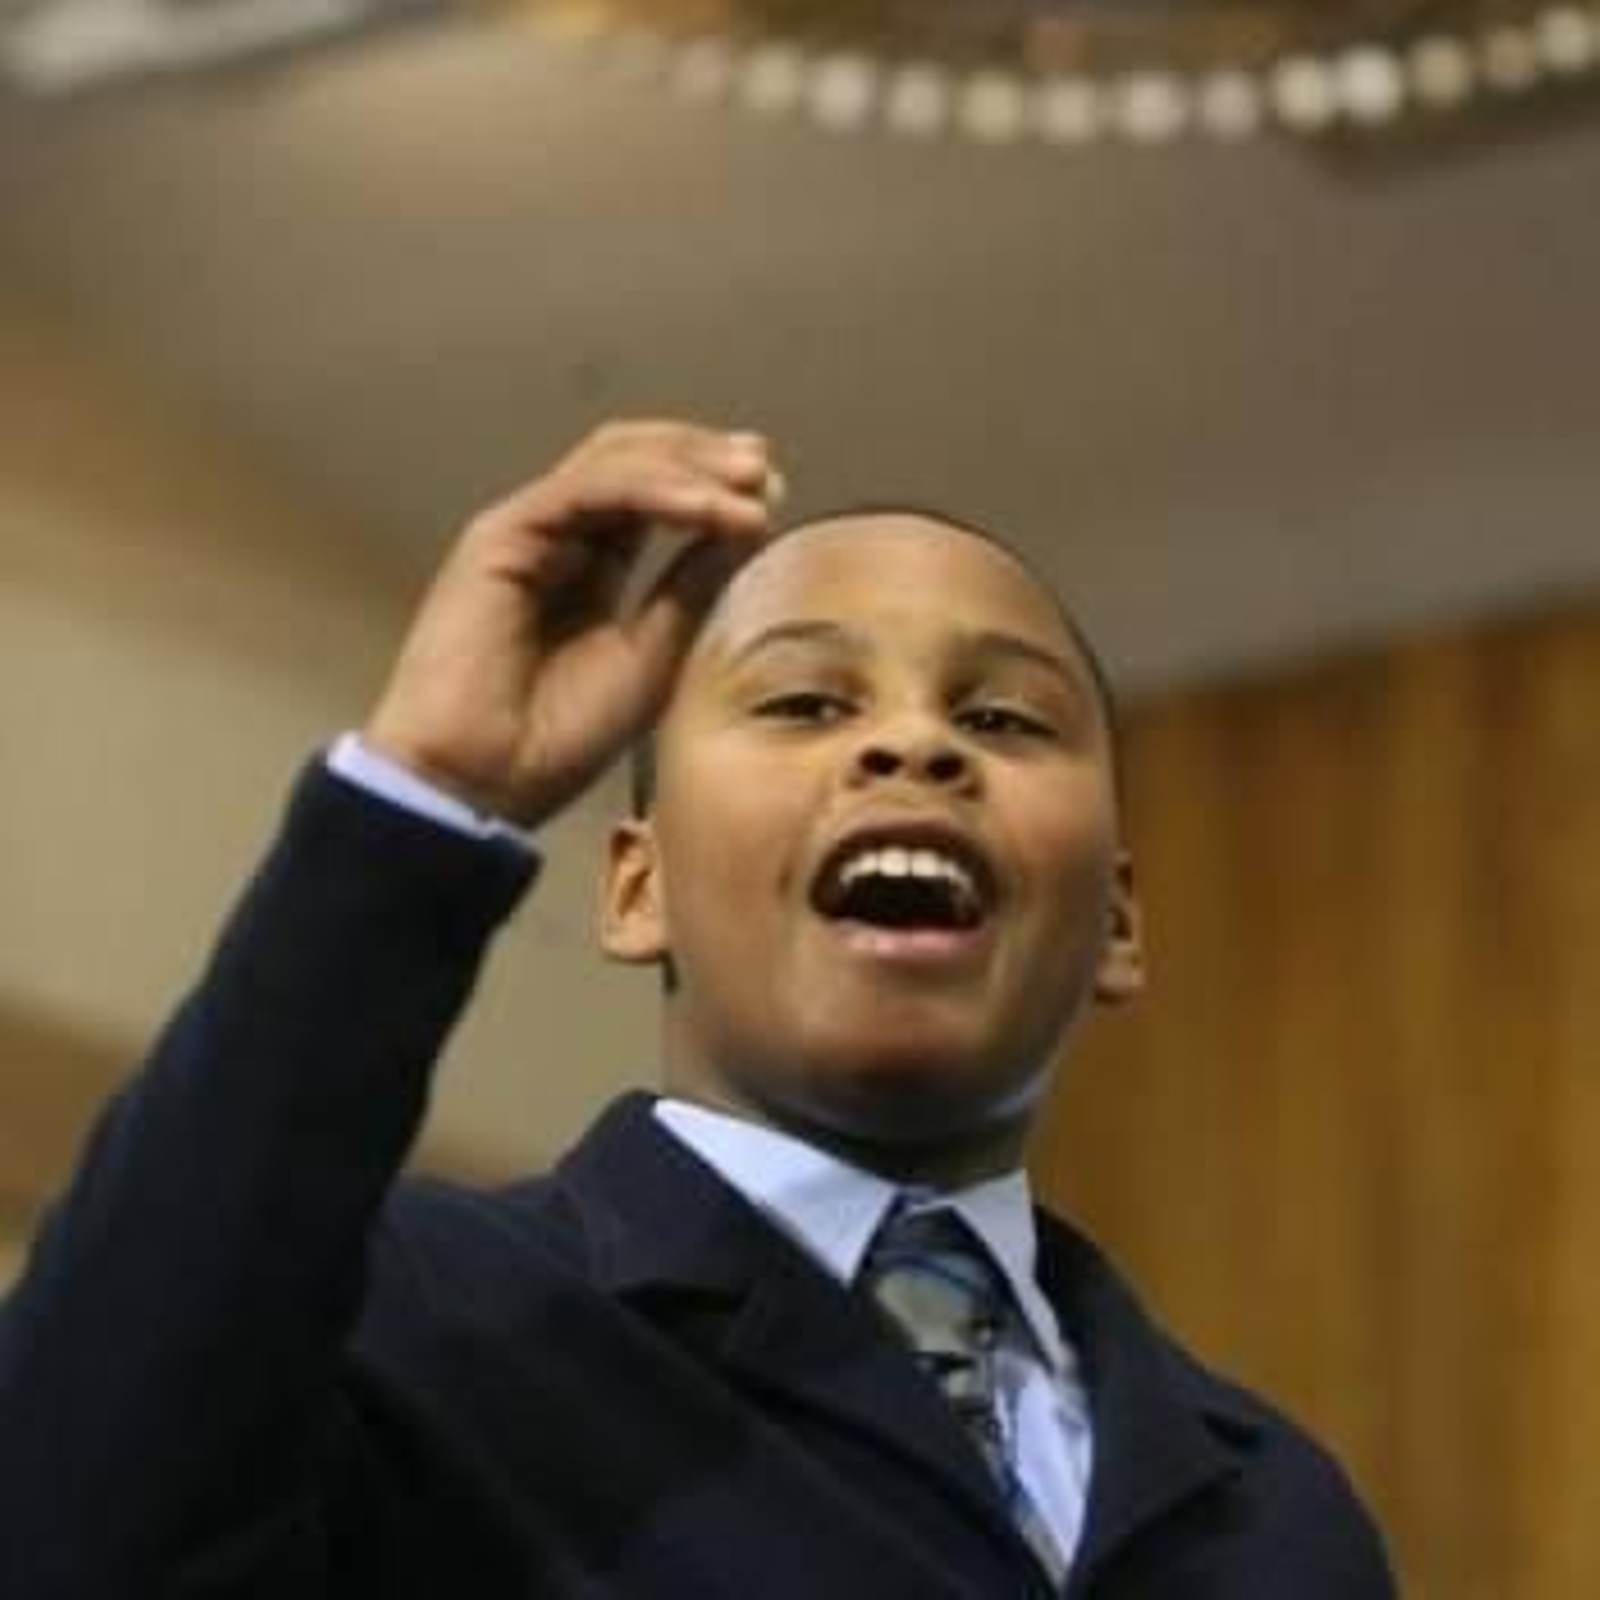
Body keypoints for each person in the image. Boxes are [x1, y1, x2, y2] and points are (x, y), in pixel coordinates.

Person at [0, 421, 1396, 1597]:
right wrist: (423, 795)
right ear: (636, 888)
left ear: (1121, 923)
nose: (912, 743)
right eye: (801, 702)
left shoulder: (1278, 1510)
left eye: (1006, 721)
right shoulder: (417, 1320)